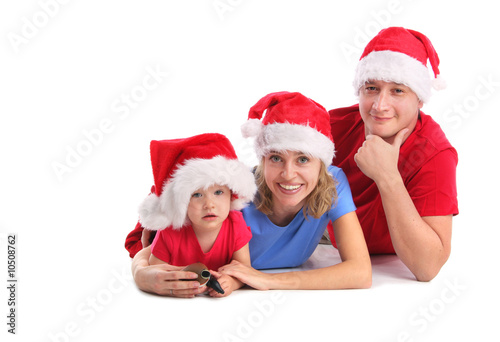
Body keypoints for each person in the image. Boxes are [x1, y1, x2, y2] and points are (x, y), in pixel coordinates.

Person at [127, 92, 371, 293]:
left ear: (322, 165)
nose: (288, 174)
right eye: (276, 158)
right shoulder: (233, 200)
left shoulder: (333, 181)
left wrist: (268, 281)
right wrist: (141, 273)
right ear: (262, 160)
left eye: (303, 159)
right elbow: (162, 246)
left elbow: (360, 272)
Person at [327, 27, 459, 282]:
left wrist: (387, 176)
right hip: (323, 233)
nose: (380, 106)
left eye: (398, 90)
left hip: (377, 258)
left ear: (419, 99)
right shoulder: (334, 125)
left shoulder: (435, 153)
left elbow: (427, 267)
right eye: (372, 88)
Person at [131, 133, 257, 297]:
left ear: (232, 195)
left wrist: (231, 282)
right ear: (181, 202)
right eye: (197, 195)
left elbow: (243, 270)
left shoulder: (235, 224)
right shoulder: (170, 232)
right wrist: (174, 286)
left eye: (218, 192)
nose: (209, 204)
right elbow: (157, 272)